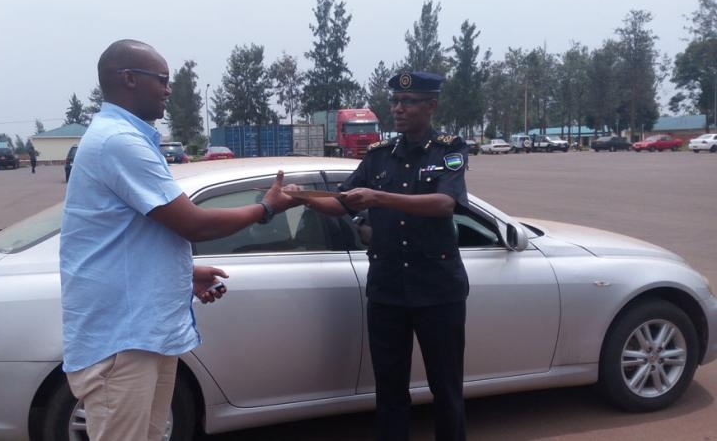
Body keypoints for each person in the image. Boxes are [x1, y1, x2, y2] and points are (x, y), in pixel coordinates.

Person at [59, 39, 297, 441]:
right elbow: (194, 224)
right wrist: (266, 209)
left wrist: (184, 272)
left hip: (143, 334)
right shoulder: (119, 141)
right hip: (124, 339)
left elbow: (135, 233)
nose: (169, 90)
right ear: (129, 79)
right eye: (163, 80)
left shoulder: (127, 138)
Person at [303, 71, 469, 441]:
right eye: (394, 101)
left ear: (431, 106)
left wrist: (379, 198)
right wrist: (299, 198)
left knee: (446, 389)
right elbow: (341, 202)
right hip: (388, 292)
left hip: (438, 292)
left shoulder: (448, 149)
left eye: (407, 102)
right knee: (390, 391)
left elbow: (444, 203)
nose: (398, 108)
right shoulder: (379, 156)